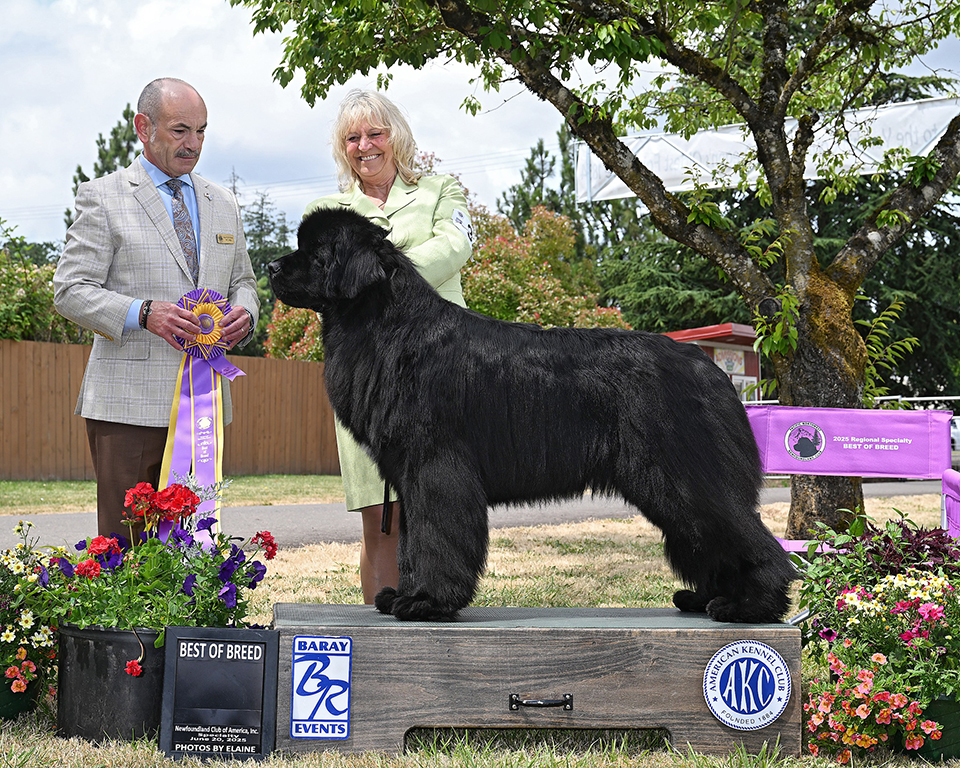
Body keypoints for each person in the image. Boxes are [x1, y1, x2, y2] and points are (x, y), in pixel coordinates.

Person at [54, 77, 259, 539]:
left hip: (204, 413)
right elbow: (69, 289)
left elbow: (244, 282)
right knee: (124, 549)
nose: (194, 144)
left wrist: (245, 314)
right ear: (143, 127)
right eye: (180, 130)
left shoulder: (223, 203)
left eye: (201, 131)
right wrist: (144, 313)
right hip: (126, 407)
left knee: (195, 549)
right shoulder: (102, 196)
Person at [306, 89, 474, 603]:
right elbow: (322, 283)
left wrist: (378, 275)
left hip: (440, 373)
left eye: (375, 133)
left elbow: (456, 244)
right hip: (366, 382)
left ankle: (437, 612)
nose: (365, 146)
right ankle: (379, 638)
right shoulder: (327, 212)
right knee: (381, 520)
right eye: (352, 138)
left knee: (437, 503)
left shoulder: (441, 190)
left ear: (395, 136)